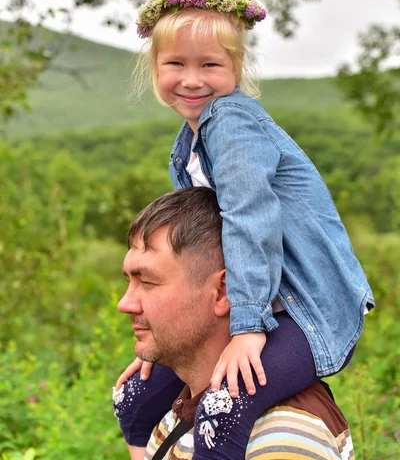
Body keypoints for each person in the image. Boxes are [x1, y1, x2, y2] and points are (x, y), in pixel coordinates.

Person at [114, 0, 374, 460]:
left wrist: (248, 327)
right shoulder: (187, 145)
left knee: (223, 410)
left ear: (236, 69)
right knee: (134, 398)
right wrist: (167, 337)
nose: (192, 79)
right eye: (176, 64)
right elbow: (202, 245)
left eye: (210, 64)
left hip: (306, 307)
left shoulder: (231, 124)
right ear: (155, 69)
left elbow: (249, 222)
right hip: (258, 297)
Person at [114, 187, 355, 460]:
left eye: (147, 282)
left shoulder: (281, 439)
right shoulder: (181, 411)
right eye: (129, 281)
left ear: (225, 292)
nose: (125, 303)